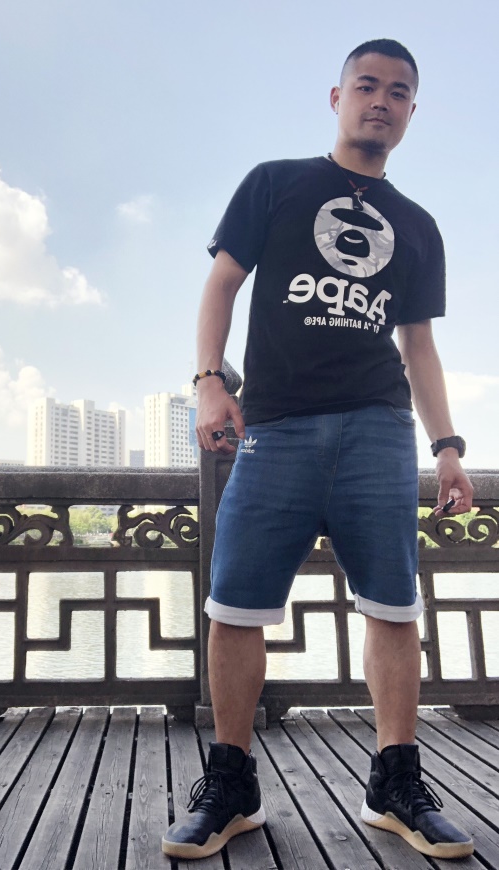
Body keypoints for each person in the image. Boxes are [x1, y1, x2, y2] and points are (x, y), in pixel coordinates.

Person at [162, 38, 475, 861]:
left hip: (379, 427)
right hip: (277, 425)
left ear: (412, 111)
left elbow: (418, 345)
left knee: (394, 607)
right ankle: (231, 787)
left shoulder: (418, 226)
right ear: (336, 98)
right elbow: (222, 283)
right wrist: (207, 381)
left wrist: (446, 446)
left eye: (398, 92)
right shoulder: (275, 183)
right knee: (235, 606)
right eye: (366, 85)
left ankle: (395, 784)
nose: (381, 101)